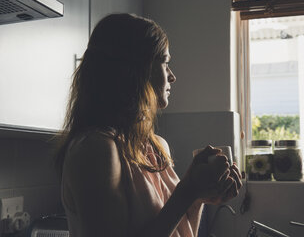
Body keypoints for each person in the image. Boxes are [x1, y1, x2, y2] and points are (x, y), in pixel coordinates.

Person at [55, 13, 243, 237]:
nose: (172, 76)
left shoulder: (155, 146)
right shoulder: (96, 149)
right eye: (164, 62)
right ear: (135, 69)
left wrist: (198, 196)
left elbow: (182, 232)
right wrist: (188, 190)